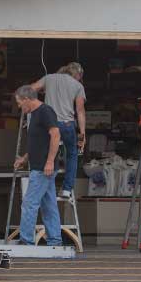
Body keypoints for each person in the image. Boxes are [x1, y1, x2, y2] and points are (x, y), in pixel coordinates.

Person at [13, 85, 63, 246]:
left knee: (29, 203)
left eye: (20, 103)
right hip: (40, 165)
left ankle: (26, 240)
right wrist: (25, 158)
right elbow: (38, 142)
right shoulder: (34, 114)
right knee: (49, 205)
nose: (19, 106)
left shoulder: (45, 112)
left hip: (43, 167)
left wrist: (49, 161)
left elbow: (55, 135)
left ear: (27, 99)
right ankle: (54, 240)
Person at [31, 62, 87, 198]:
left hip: (50, 124)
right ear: (78, 75)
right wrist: (82, 134)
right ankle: (67, 189)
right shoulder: (78, 86)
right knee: (72, 154)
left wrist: (34, 111)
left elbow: (31, 89)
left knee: (48, 153)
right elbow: (80, 111)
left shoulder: (49, 78)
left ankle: (44, 187)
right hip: (67, 125)